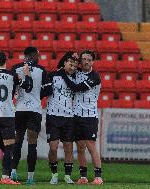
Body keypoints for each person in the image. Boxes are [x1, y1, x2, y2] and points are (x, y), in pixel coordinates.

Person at [0, 51, 32, 185]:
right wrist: (26, 74)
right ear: (6, 61)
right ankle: (5, 177)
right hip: (7, 115)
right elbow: (27, 86)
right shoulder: (12, 75)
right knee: (8, 148)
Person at [11, 46, 51, 185]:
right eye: (38, 55)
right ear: (34, 56)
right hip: (34, 109)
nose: (39, 57)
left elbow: (10, 87)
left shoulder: (15, 68)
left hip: (19, 108)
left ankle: (13, 172)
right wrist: (37, 96)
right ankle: (30, 177)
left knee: (18, 140)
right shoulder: (41, 70)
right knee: (32, 142)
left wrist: (16, 95)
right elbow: (49, 89)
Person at [62, 50, 103, 185]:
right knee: (80, 147)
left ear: (93, 62)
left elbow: (77, 88)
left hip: (90, 116)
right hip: (76, 115)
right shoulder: (77, 71)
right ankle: (83, 176)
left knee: (91, 146)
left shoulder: (95, 76)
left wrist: (64, 75)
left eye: (89, 60)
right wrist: (69, 56)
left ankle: (98, 177)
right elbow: (61, 66)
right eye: (83, 59)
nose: (86, 62)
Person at [45, 52, 78, 185]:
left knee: (68, 148)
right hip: (53, 116)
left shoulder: (77, 78)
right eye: (70, 64)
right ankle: (54, 174)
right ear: (64, 62)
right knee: (53, 148)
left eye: (75, 65)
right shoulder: (52, 76)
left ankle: (67, 176)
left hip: (69, 117)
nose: (72, 67)